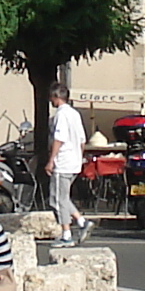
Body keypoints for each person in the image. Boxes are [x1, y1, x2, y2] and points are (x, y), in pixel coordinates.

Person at [46, 83, 88, 248]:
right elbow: (82, 140)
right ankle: (81, 220)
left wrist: (51, 160)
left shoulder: (61, 115)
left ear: (56, 98)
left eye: (52, 97)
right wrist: (79, 157)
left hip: (63, 163)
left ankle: (66, 233)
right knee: (63, 197)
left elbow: (59, 138)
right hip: (74, 162)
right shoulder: (75, 114)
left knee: (56, 200)